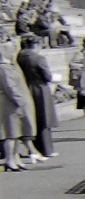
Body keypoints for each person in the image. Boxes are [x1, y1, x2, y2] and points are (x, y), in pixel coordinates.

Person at [0, 30, 45, 170]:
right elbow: (10, 87)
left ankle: (15, 159)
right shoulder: (3, 68)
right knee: (10, 134)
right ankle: (9, 160)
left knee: (17, 133)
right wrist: (20, 100)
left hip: (17, 103)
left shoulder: (12, 66)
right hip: (9, 103)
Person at [17, 34, 60, 157]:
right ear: (35, 45)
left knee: (33, 118)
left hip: (26, 88)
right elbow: (47, 76)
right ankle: (47, 150)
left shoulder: (19, 57)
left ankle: (34, 149)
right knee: (44, 118)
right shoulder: (38, 58)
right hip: (40, 88)